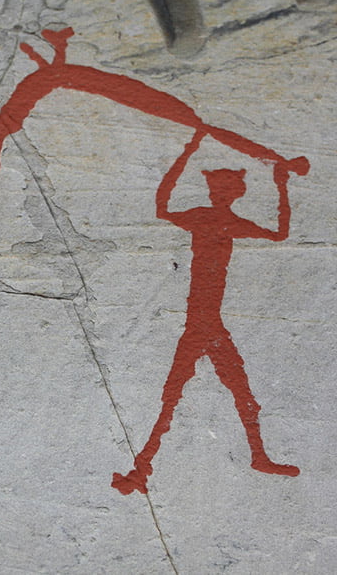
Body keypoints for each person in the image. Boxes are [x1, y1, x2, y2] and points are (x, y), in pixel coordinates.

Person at [112, 131, 302, 495]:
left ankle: (144, 467)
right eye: (223, 189)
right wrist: (281, 183)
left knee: (185, 398)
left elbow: (163, 206)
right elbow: (277, 233)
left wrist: (189, 149)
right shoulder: (209, 219)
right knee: (186, 398)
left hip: (207, 325)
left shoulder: (209, 219)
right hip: (204, 326)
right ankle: (144, 466)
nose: (224, 194)